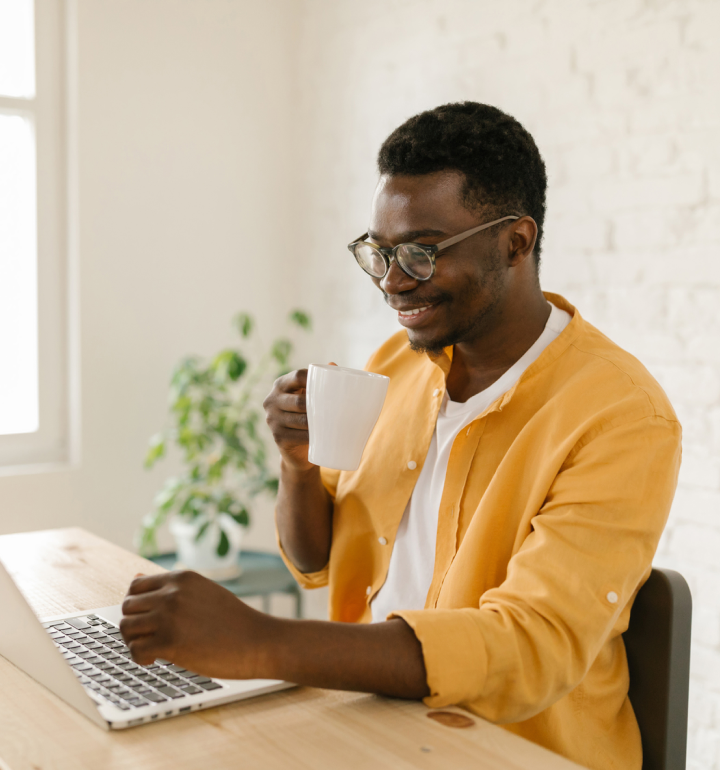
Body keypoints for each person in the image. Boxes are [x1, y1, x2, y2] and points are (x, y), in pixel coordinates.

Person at [120, 102, 681, 770]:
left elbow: (532, 647)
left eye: (421, 252)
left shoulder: (620, 415)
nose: (392, 282)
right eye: (380, 254)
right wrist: (297, 467)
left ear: (516, 243)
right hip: (365, 723)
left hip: (512, 754)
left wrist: (264, 644)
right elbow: (314, 558)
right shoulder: (396, 365)